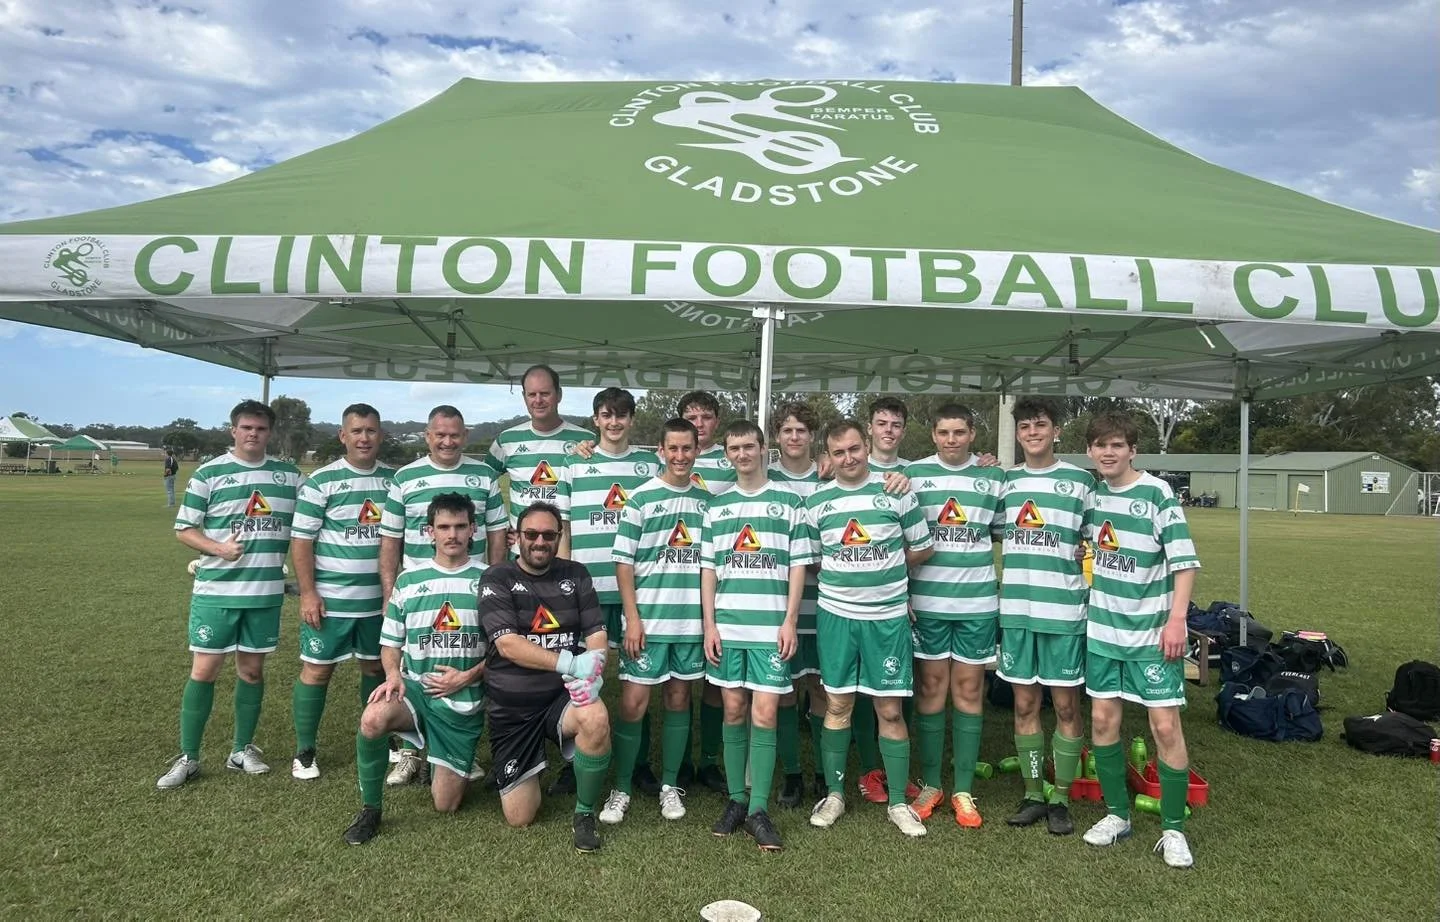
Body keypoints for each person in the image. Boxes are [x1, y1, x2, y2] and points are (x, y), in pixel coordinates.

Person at [157, 400, 302, 790]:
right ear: (233, 430)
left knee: (252, 672)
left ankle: (242, 750)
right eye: (246, 427)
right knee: (204, 671)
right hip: (216, 591)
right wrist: (219, 549)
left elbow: (312, 526)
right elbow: (185, 529)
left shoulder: (290, 477)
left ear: (269, 432)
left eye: (260, 428)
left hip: (265, 594)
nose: (253, 434)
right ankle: (188, 756)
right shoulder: (210, 473)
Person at [1080, 413, 1201, 868]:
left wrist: (1177, 620)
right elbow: (1087, 545)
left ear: (1133, 450)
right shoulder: (1093, 499)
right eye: (1099, 445)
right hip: (1103, 633)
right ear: (1090, 452)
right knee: (1104, 723)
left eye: (1116, 445)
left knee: (1165, 727)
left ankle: (1173, 828)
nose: (1107, 453)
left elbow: (1184, 564)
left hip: (1152, 634)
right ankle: (1117, 815)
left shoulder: (1157, 493)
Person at [805, 419, 934, 837]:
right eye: (839, 452)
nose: (848, 458)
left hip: (887, 619)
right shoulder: (817, 502)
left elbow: (922, 547)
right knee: (838, 705)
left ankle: (898, 802)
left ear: (867, 446)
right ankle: (836, 794)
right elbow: (813, 559)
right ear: (828, 456)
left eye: (854, 449)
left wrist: (888, 575)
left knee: (889, 709)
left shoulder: (895, 491)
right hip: (837, 618)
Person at [343, 493, 488, 845]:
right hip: (416, 691)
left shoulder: (490, 581)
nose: (451, 534)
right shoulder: (409, 581)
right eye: (443, 527)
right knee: (373, 718)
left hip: (462, 699)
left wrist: (468, 676)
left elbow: (505, 648)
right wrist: (393, 675)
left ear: (473, 530)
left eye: (459, 526)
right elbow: (390, 643)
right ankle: (370, 810)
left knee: (446, 805)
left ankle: (444, 760)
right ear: (429, 532)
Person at [379, 405, 507, 785]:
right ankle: (408, 754)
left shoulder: (484, 475)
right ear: (427, 435)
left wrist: (495, 584)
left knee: (472, 667)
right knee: (411, 671)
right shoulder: (404, 477)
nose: (447, 441)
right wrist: (391, 592)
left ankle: (461, 751)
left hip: (469, 587)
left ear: (465, 436)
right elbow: (390, 540)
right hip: (416, 594)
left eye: (455, 435)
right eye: (440, 434)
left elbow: (498, 533)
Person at [702, 420, 814, 850]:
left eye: (750, 446)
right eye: (735, 448)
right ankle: (735, 800)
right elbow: (708, 570)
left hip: (771, 628)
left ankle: (759, 809)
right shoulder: (716, 506)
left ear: (765, 449)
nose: (742, 454)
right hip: (728, 626)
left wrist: (789, 620)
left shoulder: (788, 503)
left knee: (765, 713)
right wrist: (710, 624)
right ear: (727, 454)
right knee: (733, 710)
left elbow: (799, 567)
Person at [480, 502, 613, 853]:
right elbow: (508, 645)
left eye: (549, 535)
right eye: (531, 534)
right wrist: (572, 663)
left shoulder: (576, 573)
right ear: (516, 538)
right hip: (513, 707)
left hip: (560, 699)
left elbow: (597, 636)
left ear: (559, 538)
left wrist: (594, 671)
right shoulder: (497, 577)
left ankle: (584, 812)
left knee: (596, 716)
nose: (540, 541)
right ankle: (530, 766)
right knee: (520, 817)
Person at [601, 418, 708, 825]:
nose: (680, 456)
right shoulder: (641, 499)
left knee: (680, 700)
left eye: (687, 448)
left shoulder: (705, 503)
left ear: (696, 451)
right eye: (673, 449)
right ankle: (623, 787)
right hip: (647, 622)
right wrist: (632, 619)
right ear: (660, 452)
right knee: (633, 704)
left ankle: (669, 785)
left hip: (689, 624)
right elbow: (623, 562)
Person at [555, 387, 662, 793]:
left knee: (639, 680)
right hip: (588, 592)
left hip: (636, 592)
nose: (613, 422)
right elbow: (564, 528)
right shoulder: (574, 465)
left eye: (621, 415)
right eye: (605, 415)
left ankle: (639, 764)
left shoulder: (649, 465)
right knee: (580, 681)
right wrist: (565, 584)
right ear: (596, 420)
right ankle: (575, 759)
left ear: (632, 419)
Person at [997, 397, 1096, 836]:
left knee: (1067, 705)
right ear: (1017, 434)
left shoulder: (1080, 481)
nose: (1032, 432)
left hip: (1063, 610)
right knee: (1023, 703)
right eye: (1025, 426)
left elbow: (1101, 537)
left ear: (1056, 431)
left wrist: (1084, 550)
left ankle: (1061, 795)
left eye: (1041, 425)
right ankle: (1034, 793)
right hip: (1017, 610)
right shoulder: (1004, 481)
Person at [903, 404, 1004, 828]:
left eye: (959, 432)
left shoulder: (994, 477)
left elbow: (1006, 531)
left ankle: (963, 789)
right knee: (929, 689)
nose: (951, 440)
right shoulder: (912, 476)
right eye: (944, 432)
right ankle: (930, 785)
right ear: (933, 435)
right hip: (928, 602)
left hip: (978, 603)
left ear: (972, 434)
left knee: (967, 691)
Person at [288, 404, 395, 780]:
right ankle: (304, 750)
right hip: (330, 601)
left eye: (370, 430)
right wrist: (308, 593)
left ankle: (381, 735)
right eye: (356, 431)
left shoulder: (393, 481)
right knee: (317, 672)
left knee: (375, 667)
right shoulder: (322, 481)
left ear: (380, 435)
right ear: (342, 436)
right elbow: (302, 541)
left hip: (378, 602)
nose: (364, 438)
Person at [768, 401, 825, 805]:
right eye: (787, 430)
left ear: (812, 436)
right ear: (776, 436)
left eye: (801, 431)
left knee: (822, 689)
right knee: (784, 692)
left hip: (824, 604)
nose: (793, 437)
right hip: (776, 609)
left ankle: (823, 773)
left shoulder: (830, 478)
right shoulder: (763, 478)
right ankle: (792, 774)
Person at [677, 390, 734, 793]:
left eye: (706, 416)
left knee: (716, 680)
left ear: (716, 421)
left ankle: (711, 760)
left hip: (724, 579)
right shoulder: (665, 457)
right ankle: (676, 762)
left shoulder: (733, 458)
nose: (699, 423)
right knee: (672, 682)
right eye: (690, 416)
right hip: (677, 581)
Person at [484, 364, 595, 544]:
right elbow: (483, 485)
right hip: (522, 554)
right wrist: (501, 526)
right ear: (524, 397)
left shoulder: (586, 440)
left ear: (559, 394)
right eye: (532, 394)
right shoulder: (507, 440)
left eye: (545, 393)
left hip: (568, 550)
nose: (538, 400)